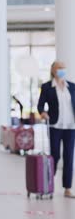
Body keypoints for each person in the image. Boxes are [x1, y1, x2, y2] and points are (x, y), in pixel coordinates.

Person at [38, 61, 75, 198]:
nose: (62, 70)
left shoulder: (71, 86)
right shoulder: (47, 87)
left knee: (69, 157)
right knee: (54, 156)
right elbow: (40, 105)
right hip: (55, 126)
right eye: (59, 67)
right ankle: (48, 184)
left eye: (63, 67)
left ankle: (67, 188)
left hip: (71, 127)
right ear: (53, 70)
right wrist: (42, 112)